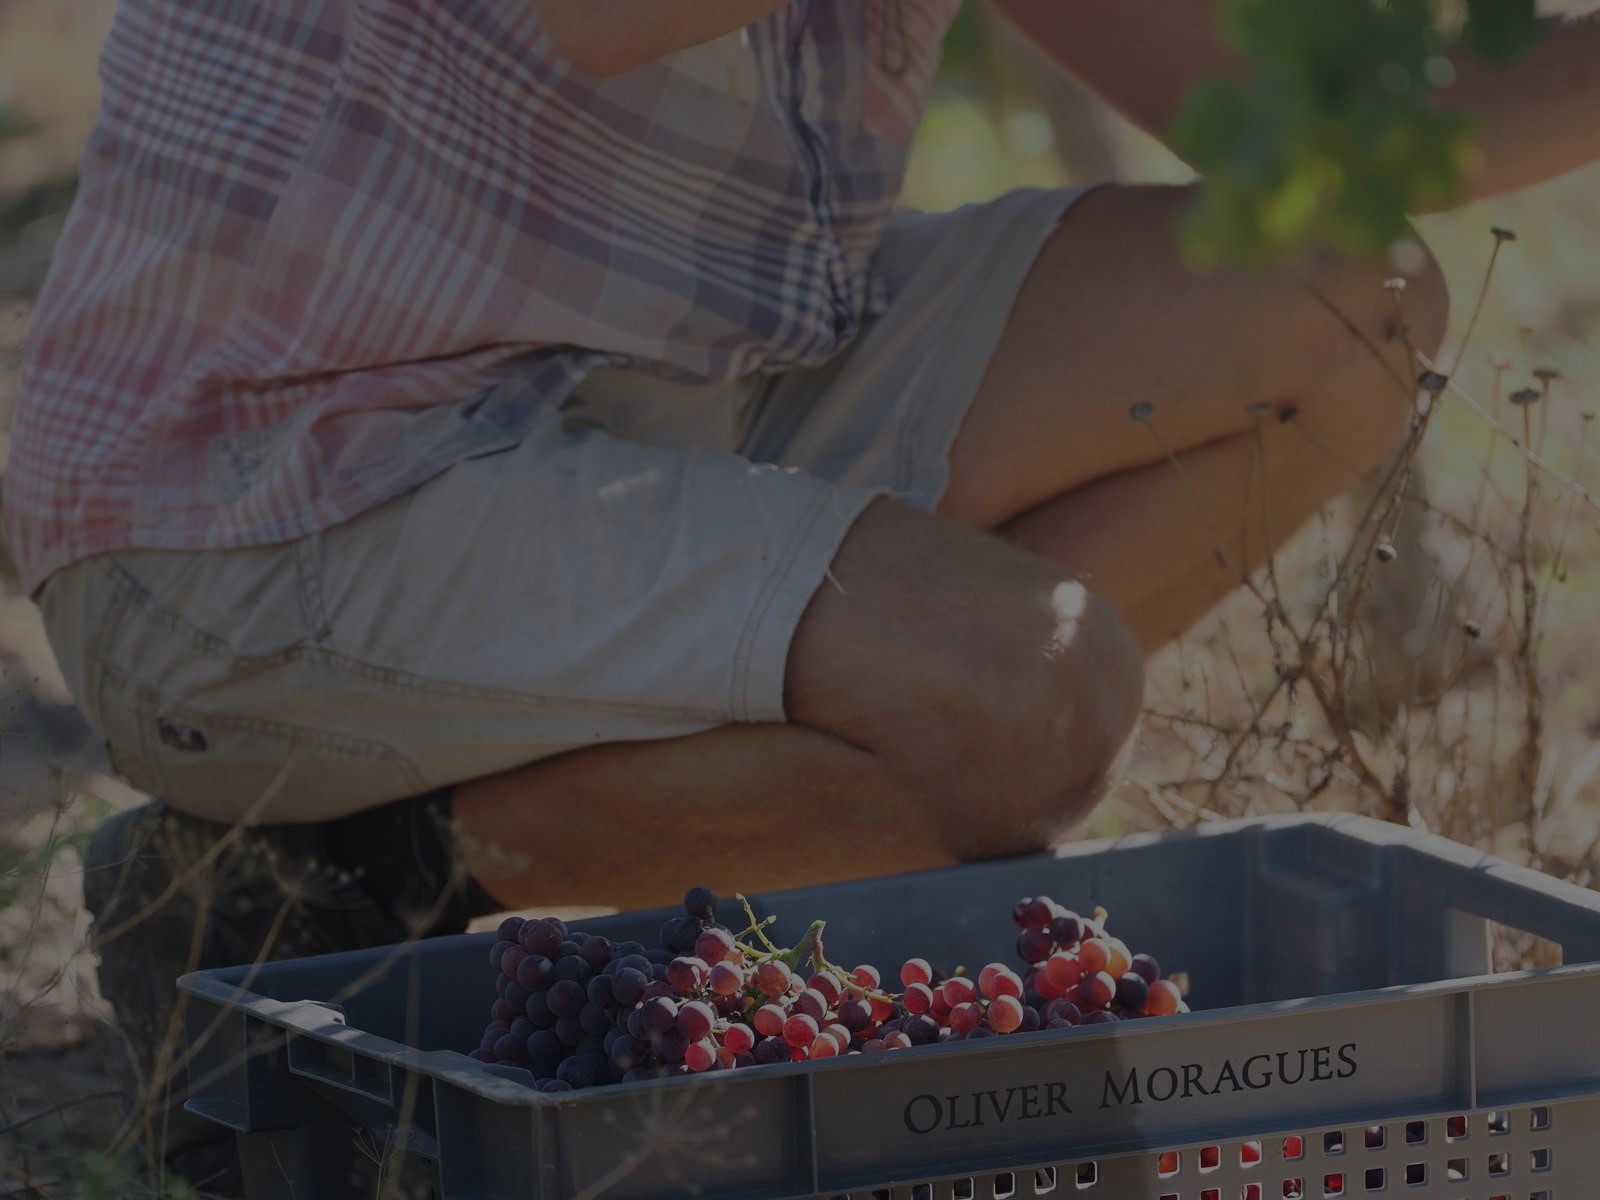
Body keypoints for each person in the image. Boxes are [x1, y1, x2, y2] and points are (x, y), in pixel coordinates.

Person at [6, 0, 1597, 1189]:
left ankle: (464, 843)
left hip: (671, 394)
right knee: (1013, 692)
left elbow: (1330, 134)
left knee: (1340, 296)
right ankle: (345, 874)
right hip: (266, 494)